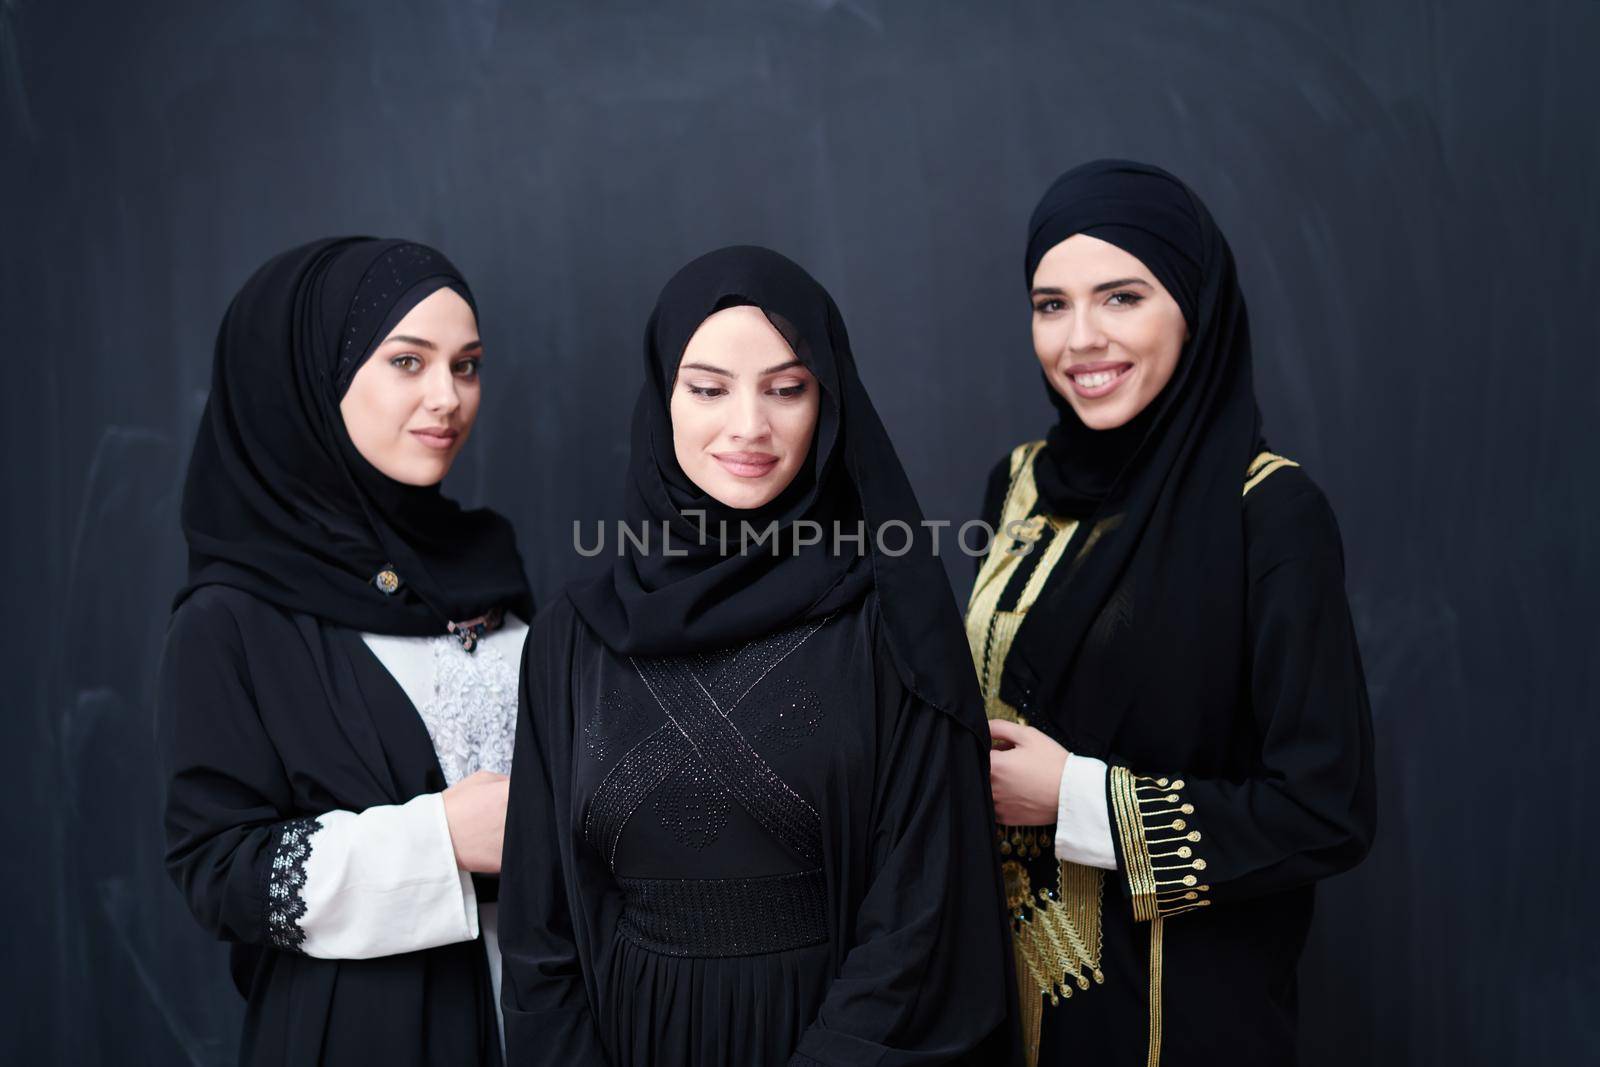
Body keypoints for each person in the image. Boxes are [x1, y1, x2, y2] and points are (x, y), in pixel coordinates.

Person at [500, 245, 1016, 1065]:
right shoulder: (573, 635)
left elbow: (925, 914)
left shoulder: (891, 621)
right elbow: (540, 929)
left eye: (786, 388)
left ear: (830, 402)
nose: (749, 426)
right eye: (707, 388)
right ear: (661, 395)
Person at [967, 160, 1376, 1066]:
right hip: (1003, 997)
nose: (1080, 339)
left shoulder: (1266, 513)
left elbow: (1325, 808)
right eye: (1050, 304)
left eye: (1121, 297)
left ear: (1193, 304)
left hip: (1179, 1019)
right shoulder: (1020, 484)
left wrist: (1075, 796)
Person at [159, 237, 531, 1066]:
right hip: (364, 1034)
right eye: (408, 361)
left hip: (542, 1020)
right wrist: (440, 836)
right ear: (314, 378)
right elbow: (217, 869)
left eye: (466, 365)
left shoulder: (486, 566)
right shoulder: (232, 616)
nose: (448, 398)